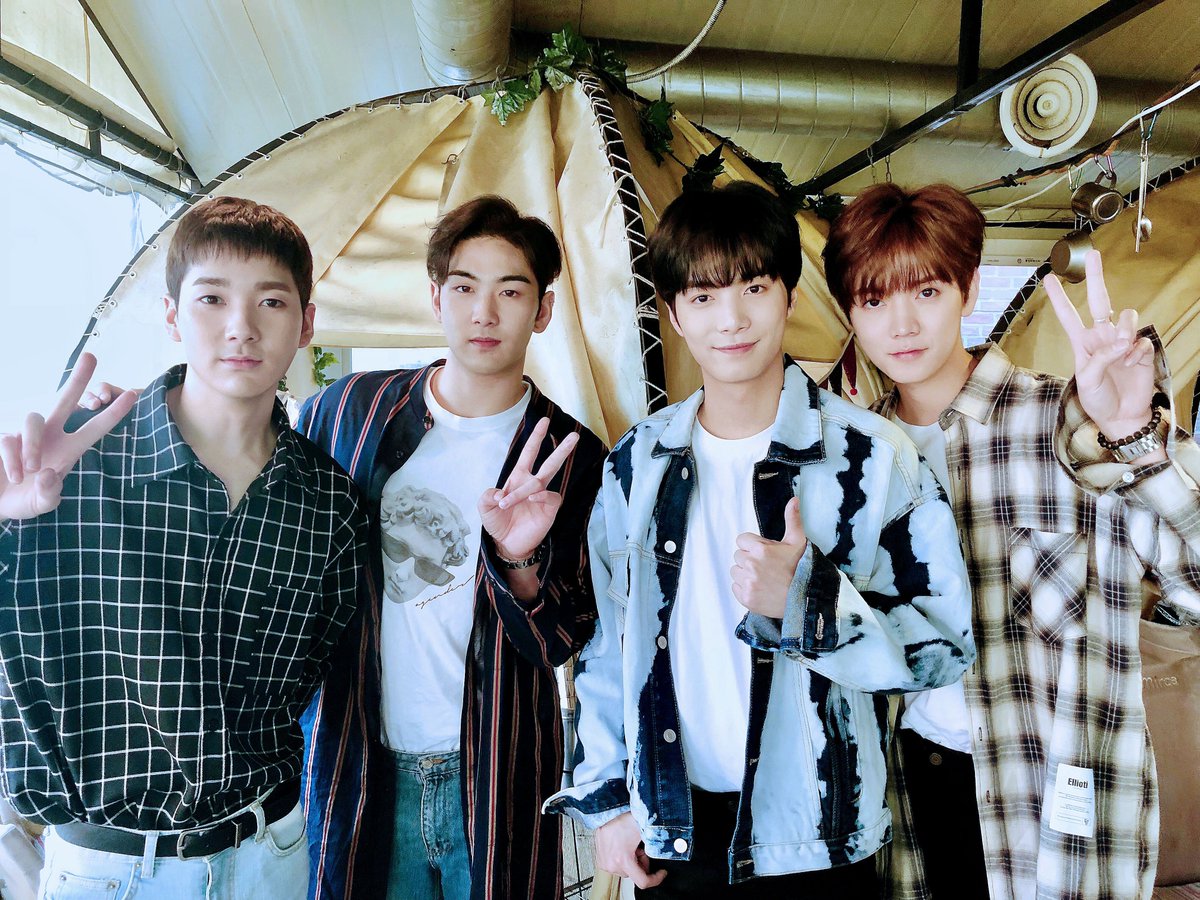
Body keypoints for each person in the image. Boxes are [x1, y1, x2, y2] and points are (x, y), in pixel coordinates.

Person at [545, 181, 975, 897]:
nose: (732, 319)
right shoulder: (636, 465)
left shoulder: (873, 457)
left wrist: (810, 604)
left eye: (754, 287)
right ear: (674, 314)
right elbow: (607, 645)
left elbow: (943, 647)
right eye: (704, 296)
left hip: (819, 837)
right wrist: (610, 798)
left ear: (790, 298)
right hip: (674, 829)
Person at [823, 181, 1200, 899]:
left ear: (968, 290)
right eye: (873, 301)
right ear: (851, 311)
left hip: (1050, 809)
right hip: (910, 789)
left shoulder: (1069, 421)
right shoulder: (853, 457)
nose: (902, 324)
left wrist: (1135, 436)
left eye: (926, 292)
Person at [0, 196, 368, 899]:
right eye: (211, 299)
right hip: (107, 869)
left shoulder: (331, 506)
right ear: (171, 315)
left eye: (271, 301)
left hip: (270, 854)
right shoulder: (70, 462)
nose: (241, 327)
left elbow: (310, 684)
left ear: (306, 325)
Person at [300, 195, 606, 900]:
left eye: (511, 292)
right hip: (364, 768)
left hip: (500, 772)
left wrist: (517, 563)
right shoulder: (347, 412)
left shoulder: (571, 458)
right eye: (465, 288)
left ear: (543, 310)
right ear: (436, 297)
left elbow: (566, 638)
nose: (484, 313)